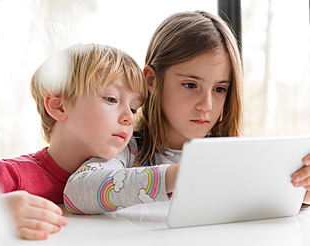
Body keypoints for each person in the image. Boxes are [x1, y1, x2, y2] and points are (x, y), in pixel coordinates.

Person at [63, 10, 310, 215]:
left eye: (220, 89)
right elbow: (76, 192)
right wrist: (181, 174)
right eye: (191, 85)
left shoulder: (237, 155)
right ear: (151, 80)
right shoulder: (128, 149)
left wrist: (300, 192)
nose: (207, 105)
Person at [0, 43, 147, 239]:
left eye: (134, 108)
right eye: (111, 99)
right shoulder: (12, 174)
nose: (129, 118)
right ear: (59, 106)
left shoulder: (125, 177)